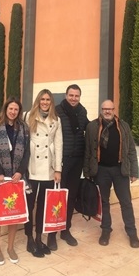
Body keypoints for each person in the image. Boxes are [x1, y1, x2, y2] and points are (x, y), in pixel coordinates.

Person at [83, 99, 139, 248]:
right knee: (104, 203)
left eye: (110, 108)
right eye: (104, 108)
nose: (107, 111)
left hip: (120, 170)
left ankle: (132, 232)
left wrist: (134, 171)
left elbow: (131, 150)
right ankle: (106, 230)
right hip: (101, 170)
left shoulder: (123, 126)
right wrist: (87, 171)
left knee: (126, 202)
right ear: (101, 110)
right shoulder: (92, 126)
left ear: (114, 110)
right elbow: (88, 151)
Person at [0, 97, 30, 265]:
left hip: (15, 177)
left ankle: (10, 247)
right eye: (10, 109)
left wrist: (20, 172)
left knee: (14, 213)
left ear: (19, 112)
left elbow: (26, 152)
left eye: (16, 109)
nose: (13, 112)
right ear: (6, 109)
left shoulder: (24, 128)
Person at [47, 84, 89, 250]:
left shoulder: (82, 111)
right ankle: (52, 234)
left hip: (76, 160)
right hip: (61, 161)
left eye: (76, 96)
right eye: (71, 95)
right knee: (57, 197)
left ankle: (65, 230)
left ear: (79, 97)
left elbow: (89, 127)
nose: (73, 98)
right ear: (66, 95)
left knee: (70, 197)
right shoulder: (56, 111)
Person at [23, 89, 63, 258]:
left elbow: (59, 143)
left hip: (47, 169)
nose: (45, 102)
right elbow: (10, 120)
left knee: (42, 206)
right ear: (38, 101)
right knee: (29, 205)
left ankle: (39, 237)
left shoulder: (56, 120)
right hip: (32, 168)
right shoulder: (27, 116)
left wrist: (58, 169)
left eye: (48, 99)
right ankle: (29, 239)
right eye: (42, 99)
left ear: (51, 102)